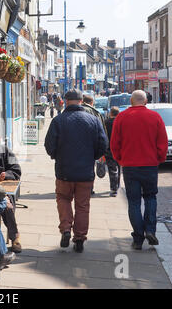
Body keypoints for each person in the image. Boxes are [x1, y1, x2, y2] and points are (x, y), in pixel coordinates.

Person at [45, 89, 108, 253]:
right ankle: (79, 238)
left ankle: (66, 229)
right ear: (81, 101)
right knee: (82, 206)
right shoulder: (93, 120)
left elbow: (49, 145)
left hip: (64, 170)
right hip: (85, 172)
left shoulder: (58, 120)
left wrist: (56, 156)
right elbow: (103, 145)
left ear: (65, 101)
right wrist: (92, 156)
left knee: (63, 199)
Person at [110, 90, 168, 250]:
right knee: (150, 198)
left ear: (131, 101)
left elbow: (114, 143)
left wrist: (120, 159)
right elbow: (162, 142)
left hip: (130, 166)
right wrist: (159, 159)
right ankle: (150, 229)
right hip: (150, 165)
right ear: (145, 102)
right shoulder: (155, 117)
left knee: (134, 202)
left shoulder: (121, 117)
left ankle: (138, 237)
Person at [104, 107, 121, 197]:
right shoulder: (120, 122)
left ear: (110, 113)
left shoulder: (105, 123)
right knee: (119, 167)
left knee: (112, 169)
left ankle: (114, 189)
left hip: (109, 148)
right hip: (120, 148)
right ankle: (117, 186)